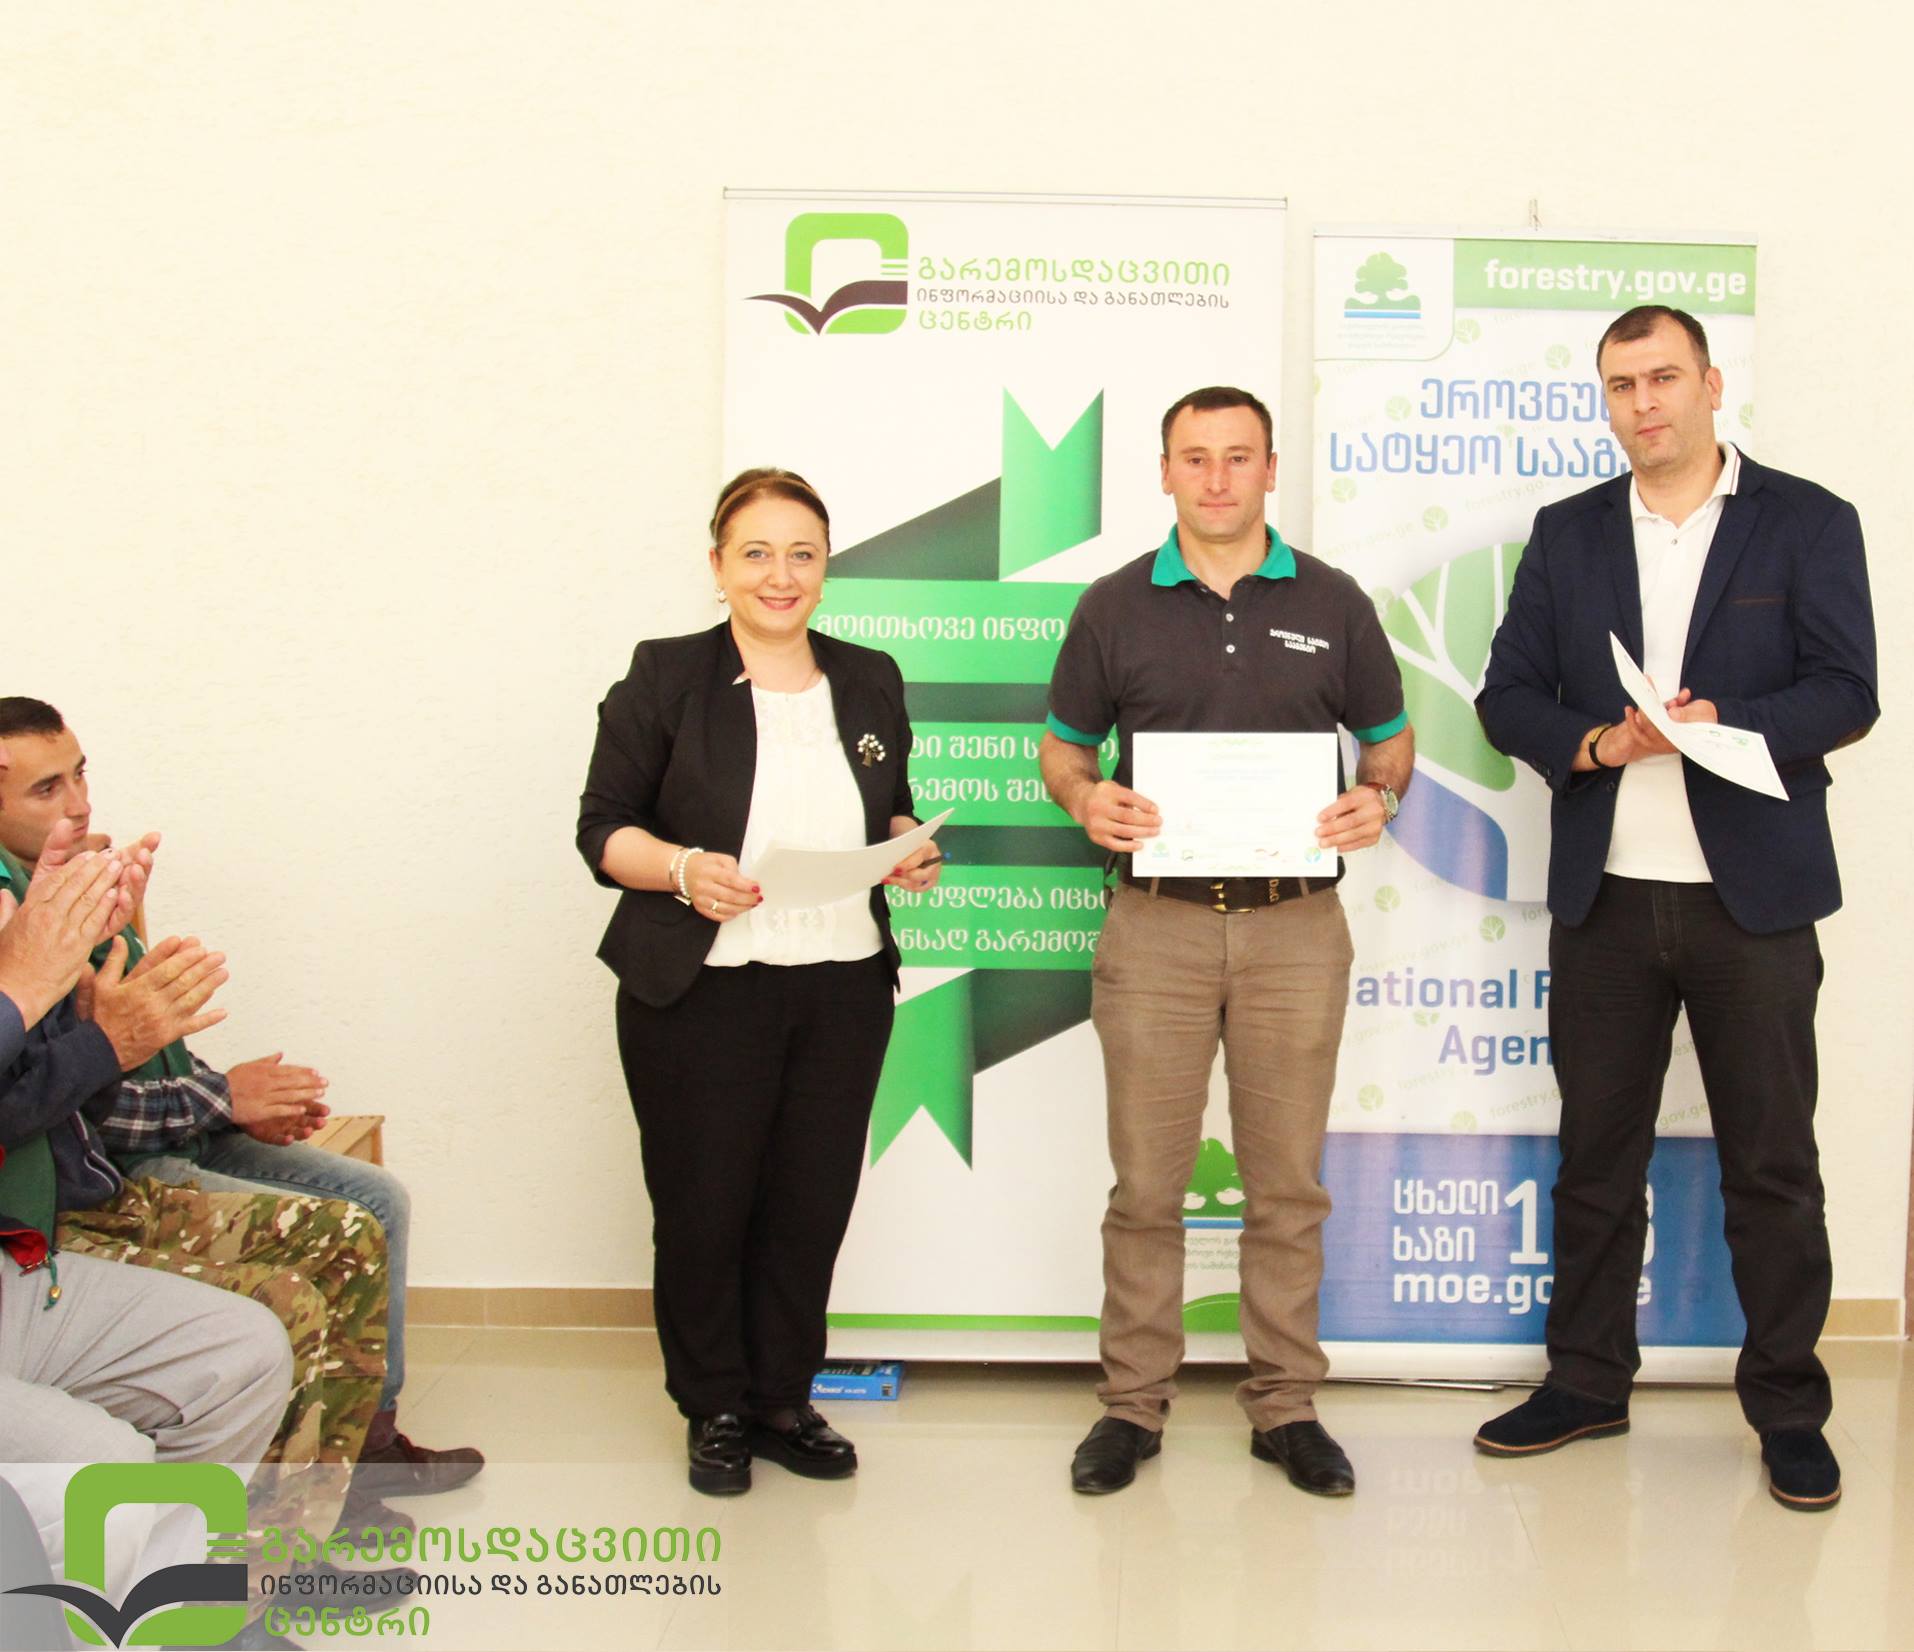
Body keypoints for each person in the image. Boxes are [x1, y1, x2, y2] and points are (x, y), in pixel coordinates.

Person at [1473, 305, 1878, 1512]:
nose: (1643, 402)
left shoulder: (1808, 520)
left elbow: (1848, 690)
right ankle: (1586, 1380)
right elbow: (1506, 695)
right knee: (1598, 1158)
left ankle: (1789, 1409)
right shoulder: (1569, 531)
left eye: (1662, 377)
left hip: (1755, 901)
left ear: (1710, 383)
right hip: (1606, 899)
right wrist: (1602, 742)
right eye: (1620, 384)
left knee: (1773, 1164)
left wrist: (1721, 728)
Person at [1041, 387, 1414, 1497]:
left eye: (1237, 456)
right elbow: (1063, 750)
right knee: (1146, 1186)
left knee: (1286, 1185)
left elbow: (1391, 743)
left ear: (1270, 468)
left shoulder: (1334, 601)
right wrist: (1084, 799)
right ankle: (1131, 1404)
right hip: (1155, 927)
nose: (1216, 478)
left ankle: (1285, 1403)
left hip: (1295, 927)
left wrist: (1378, 798)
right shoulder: (1113, 606)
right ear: (1164, 472)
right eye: (1194, 457)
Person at [0, 695, 483, 1497]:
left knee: (377, 1196)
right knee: (331, 1244)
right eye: (47, 789)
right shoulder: (22, 912)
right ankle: (299, 1507)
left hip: (168, 1128)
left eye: (80, 776)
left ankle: (366, 1452)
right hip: (116, 1172)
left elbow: (137, 1042)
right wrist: (224, 1097)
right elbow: (88, 1106)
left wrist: (221, 1087)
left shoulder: (81, 881)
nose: (79, 804)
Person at [577, 467, 940, 1496]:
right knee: (706, 1204)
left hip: (840, 985)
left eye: (803, 554)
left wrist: (907, 844)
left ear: (827, 567)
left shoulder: (868, 677)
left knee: (808, 1201)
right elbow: (603, 829)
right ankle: (716, 1405)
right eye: (757, 553)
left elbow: (888, 802)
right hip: (703, 987)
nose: (781, 575)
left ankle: (783, 1396)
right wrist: (683, 869)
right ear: (718, 564)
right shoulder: (666, 675)